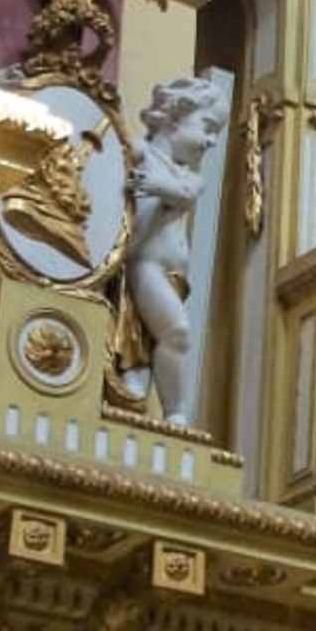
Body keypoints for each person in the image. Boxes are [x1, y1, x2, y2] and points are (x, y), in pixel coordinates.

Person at [120, 76, 231, 428]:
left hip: (173, 276)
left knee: (147, 340)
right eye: (208, 127)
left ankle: (139, 403)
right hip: (145, 264)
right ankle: (175, 413)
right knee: (176, 332)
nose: (212, 141)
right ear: (175, 115)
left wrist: (156, 185)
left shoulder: (188, 176)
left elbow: (185, 194)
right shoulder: (140, 153)